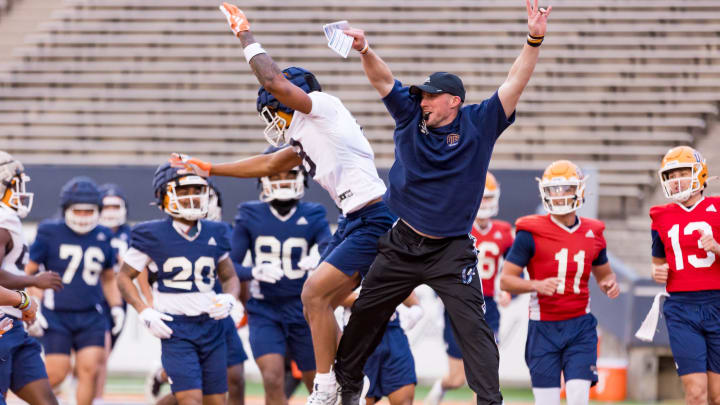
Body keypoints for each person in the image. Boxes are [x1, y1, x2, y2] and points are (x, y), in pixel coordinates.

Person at [170, 6, 394, 405]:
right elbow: (270, 163)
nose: (271, 118)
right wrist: (210, 168)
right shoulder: (309, 131)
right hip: (355, 217)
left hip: (373, 216)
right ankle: (342, 381)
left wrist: (244, 34)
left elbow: (273, 80)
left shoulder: (322, 107)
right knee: (319, 300)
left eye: (273, 108)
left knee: (312, 295)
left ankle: (329, 384)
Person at [332, 2, 551, 403]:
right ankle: (344, 386)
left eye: (431, 96)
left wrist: (534, 38)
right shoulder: (409, 116)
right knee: (366, 314)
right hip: (402, 242)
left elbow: (515, 82)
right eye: (422, 95)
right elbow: (384, 81)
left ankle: (489, 400)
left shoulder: (479, 122)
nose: (423, 101)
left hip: (450, 248)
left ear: (454, 100)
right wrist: (365, 50)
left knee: (474, 328)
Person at [116, 163, 241, 405]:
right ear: (164, 196)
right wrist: (144, 311)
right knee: (190, 399)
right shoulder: (151, 233)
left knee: (215, 401)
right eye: (183, 191)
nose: (191, 197)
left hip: (211, 326)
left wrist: (230, 298)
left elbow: (230, 276)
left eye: (196, 190)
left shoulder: (216, 230)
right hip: (176, 328)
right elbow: (123, 277)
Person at [499, 160, 620, 405]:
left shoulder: (593, 232)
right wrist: (536, 285)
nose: (559, 195)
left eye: (565, 188)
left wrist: (609, 284)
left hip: (580, 327)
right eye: (554, 189)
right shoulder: (530, 232)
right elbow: (506, 281)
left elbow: (605, 274)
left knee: (578, 398)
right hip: (543, 328)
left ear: (579, 190)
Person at [230, 153, 332, 405]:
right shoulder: (249, 213)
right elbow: (229, 265)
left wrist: (320, 256)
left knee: (317, 384)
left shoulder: (315, 213)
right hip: (264, 309)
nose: (283, 181)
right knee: (272, 378)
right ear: (262, 180)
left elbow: (330, 249)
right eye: (275, 175)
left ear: (302, 178)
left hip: (304, 310)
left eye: (289, 174)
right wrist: (253, 271)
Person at [25, 177, 122, 405]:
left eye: (89, 212)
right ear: (66, 209)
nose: (83, 217)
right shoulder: (49, 231)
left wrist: (116, 306)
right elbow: (30, 272)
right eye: (78, 211)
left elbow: (108, 278)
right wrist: (31, 304)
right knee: (57, 373)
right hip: (56, 314)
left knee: (90, 370)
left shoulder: (104, 235)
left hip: (91, 314)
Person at [425, 172, 513, 405]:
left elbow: (515, 267)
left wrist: (509, 291)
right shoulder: (457, 227)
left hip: (488, 306)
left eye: (488, 198)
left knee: (484, 368)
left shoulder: (504, 231)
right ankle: (442, 386)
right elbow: (436, 265)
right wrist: (440, 293)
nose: (484, 203)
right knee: (457, 378)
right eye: (481, 198)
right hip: (457, 304)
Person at [646, 146, 720, 405]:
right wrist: (656, 271)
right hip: (681, 308)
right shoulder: (660, 216)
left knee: (717, 395)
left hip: (717, 304)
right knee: (696, 393)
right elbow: (658, 263)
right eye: (671, 175)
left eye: (682, 173)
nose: (676, 181)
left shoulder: (718, 207)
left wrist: (717, 248)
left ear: (699, 174)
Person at [0, 152, 61, 405]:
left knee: (46, 401)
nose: (20, 189)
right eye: (15, 182)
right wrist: (27, 293)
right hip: (2, 324)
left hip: (13, 325)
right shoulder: (3, 218)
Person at [340, 291, 423, 405]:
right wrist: (381, 295)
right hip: (359, 332)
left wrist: (416, 307)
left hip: (392, 329)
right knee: (362, 400)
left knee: (404, 399)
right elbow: (336, 295)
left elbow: (402, 283)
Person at [94, 183, 131, 401]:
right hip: (91, 297)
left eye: (115, 206)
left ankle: (95, 396)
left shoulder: (132, 234)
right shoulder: (90, 231)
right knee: (96, 352)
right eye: (106, 206)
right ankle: (91, 396)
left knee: (104, 355)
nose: (110, 211)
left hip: (119, 299)